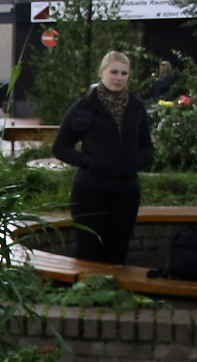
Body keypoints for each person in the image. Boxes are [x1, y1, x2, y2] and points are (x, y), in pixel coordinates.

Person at [51, 51, 152, 264]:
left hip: (126, 191)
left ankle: (114, 296)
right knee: (88, 251)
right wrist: (88, 161)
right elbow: (60, 147)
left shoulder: (137, 108)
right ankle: (85, 295)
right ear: (101, 72)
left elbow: (146, 147)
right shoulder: (84, 107)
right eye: (113, 72)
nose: (118, 77)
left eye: (124, 73)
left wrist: (136, 161)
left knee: (117, 251)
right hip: (90, 190)